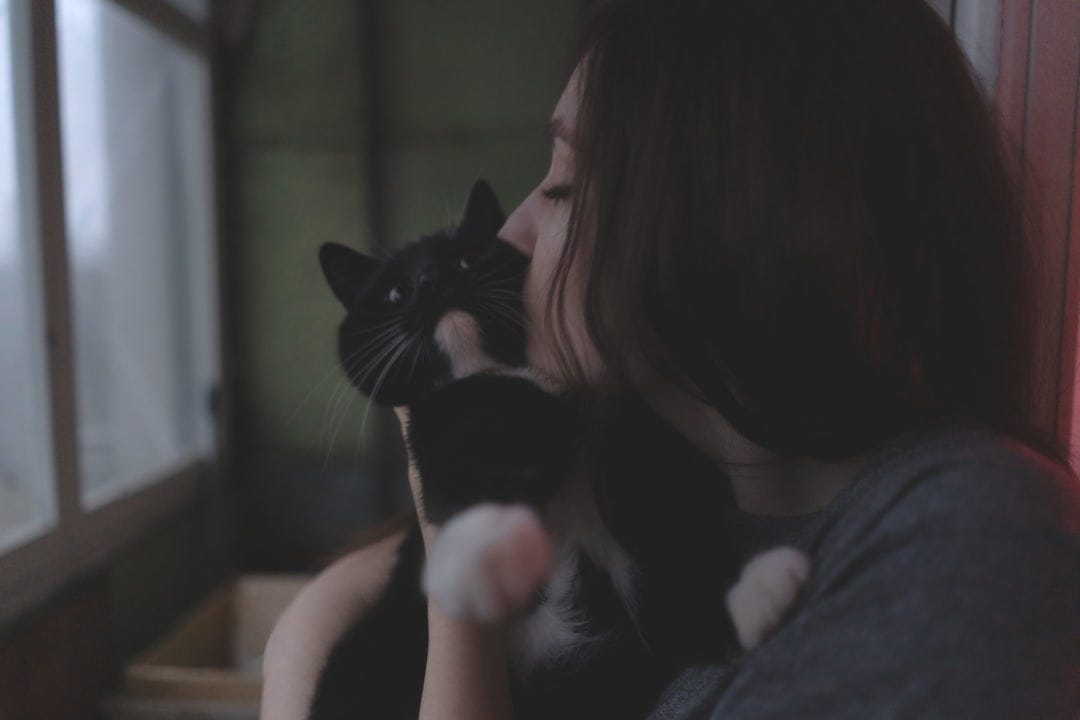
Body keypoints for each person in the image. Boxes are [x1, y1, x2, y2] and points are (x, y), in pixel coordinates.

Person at [262, 1, 1080, 718]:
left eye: (564, 185)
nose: (510, 234)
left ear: (733, 220)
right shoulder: (667, 495)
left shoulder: (971, 537)